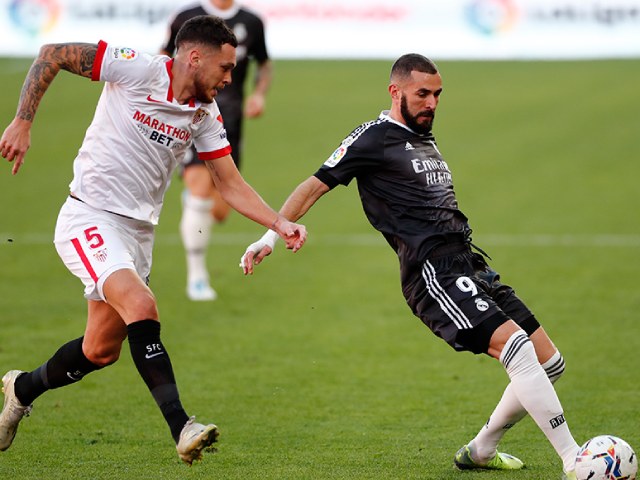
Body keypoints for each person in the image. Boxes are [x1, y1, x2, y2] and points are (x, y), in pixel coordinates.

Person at [240, 53, 580, 479]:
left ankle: (481, 449)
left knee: (551, 364)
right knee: (516, 348)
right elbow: (315, 184)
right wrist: (272, 233)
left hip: (469, 264)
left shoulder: (424, 137)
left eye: (438, 94)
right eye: (423, 94)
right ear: (395, 92)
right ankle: (575, 460)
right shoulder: (373, 137)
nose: (432, 103)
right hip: (432, 273)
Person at [0, 15, 306, 464]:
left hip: (138, 235)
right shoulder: (136, 68)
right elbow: (53, 55)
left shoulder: (204, 112)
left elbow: (229, 182)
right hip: (90, 216)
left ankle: (21, 388)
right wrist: (22, 121)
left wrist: (279, 223)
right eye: (224, 68)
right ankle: (183, 427)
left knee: (99, 351)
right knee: (142, 306)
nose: (229, 78)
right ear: (194, 58)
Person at [161, 0, 272, 301]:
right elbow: (163, 56)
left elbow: (264, 65)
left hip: (230, 122)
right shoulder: (186, 17)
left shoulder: (252, 21)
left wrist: (259, 95)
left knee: (220, 210)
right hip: (191, 115)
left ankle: (196, 203)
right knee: (199, 190)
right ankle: (197, 277)